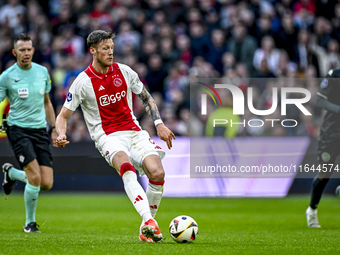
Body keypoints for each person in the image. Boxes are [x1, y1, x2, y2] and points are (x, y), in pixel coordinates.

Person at [55, 30, 175, 243]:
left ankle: (147, 226)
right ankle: (148, 220)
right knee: (126, 167)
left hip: (134, 131)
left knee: (157, 172)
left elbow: (146, 97)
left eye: (111, 48)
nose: (110, 52)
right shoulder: (82, 82)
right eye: (105, 49)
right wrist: (61, 133)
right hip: (107, 136)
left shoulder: (125, 71)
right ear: (93, 51)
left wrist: (159, 124)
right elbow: (63, 115)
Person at [0, 33, 58, 232]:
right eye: (22, 50)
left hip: (40, 130)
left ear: (33, 50)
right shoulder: (6, 77)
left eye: (29, 49)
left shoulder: (42, 72)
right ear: (15, 52)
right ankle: (29, 223)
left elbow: (47, 103)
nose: (26, 53)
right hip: (18, 130)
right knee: (34, 178)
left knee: (46, 183)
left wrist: (56, 128)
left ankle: (12, 173)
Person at [306, 68, 340, 228]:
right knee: (325, 173)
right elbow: (319, 101)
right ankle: (312, 209)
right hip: (332, 132)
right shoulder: (334, 76)